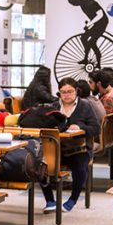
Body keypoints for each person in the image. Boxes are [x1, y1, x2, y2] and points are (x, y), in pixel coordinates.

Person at [41, 78, 100, 213]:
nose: (66, 95)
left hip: (80, 148)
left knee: (80, 166)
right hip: (57, 148)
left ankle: (73, 199)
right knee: (40, 163)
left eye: (70, 91)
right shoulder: (54, 107)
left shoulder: (85, 106)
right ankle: (50, 200)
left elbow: (96, 129)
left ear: (76, 91)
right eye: (63, 92)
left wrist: (81, 127)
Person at [68, 0, 108, 67]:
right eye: (73, 4)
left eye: (74, 2)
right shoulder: (82, 5)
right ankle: (86, 57)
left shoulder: (89, 2)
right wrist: (89, 25)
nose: (74, 4)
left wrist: (89, 24)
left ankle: (98, 61)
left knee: (91, 42)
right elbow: (93, 16)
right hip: (96, 24)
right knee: (83, 38)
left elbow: (100, 15)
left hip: (102, 23)